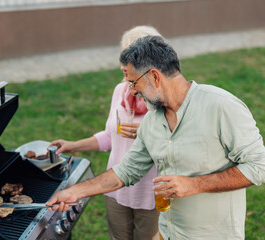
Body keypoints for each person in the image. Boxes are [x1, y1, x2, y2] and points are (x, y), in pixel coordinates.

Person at [47, 35, 265, 240]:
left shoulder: (221, 106)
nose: (132, 91)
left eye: (133, 83)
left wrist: (195, 184)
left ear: (154, 76)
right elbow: (126, 171)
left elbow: (259, 166)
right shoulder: (152, 122)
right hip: (168, 232)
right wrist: (75, 191)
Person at [49, 26, 161, 240]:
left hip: (151, 193)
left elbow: (178, 145)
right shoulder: (121, 91)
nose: (122, 65)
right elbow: (111, 136)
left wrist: (150, 133)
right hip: (116, 189)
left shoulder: (166, 100)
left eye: (128, 58)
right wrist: (73, 145)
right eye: (122, 57)